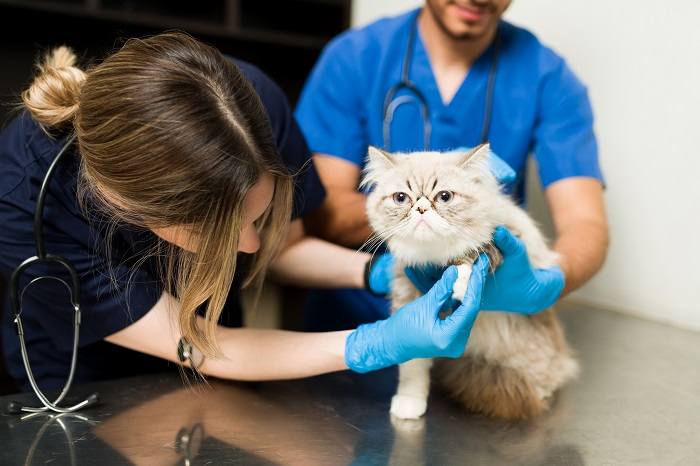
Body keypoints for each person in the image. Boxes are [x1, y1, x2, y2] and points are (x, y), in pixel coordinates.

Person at [0, 32, 489, 391]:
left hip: (221, 358)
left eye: (257, 217)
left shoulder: (245, 106)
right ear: (137, 212)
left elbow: (285, 250)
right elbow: (209, 346)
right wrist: (378, 341)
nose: (253, 248)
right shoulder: (26, 200)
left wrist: (387, 272)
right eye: (222, 235)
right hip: (84, 382)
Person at [295, 0, 609, 330]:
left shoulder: (548, 76)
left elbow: (586, 222)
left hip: (484, 318)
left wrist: (549, 282)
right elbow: (321, 207)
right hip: (356, 318)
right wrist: (427, 226)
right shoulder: (356, 57)